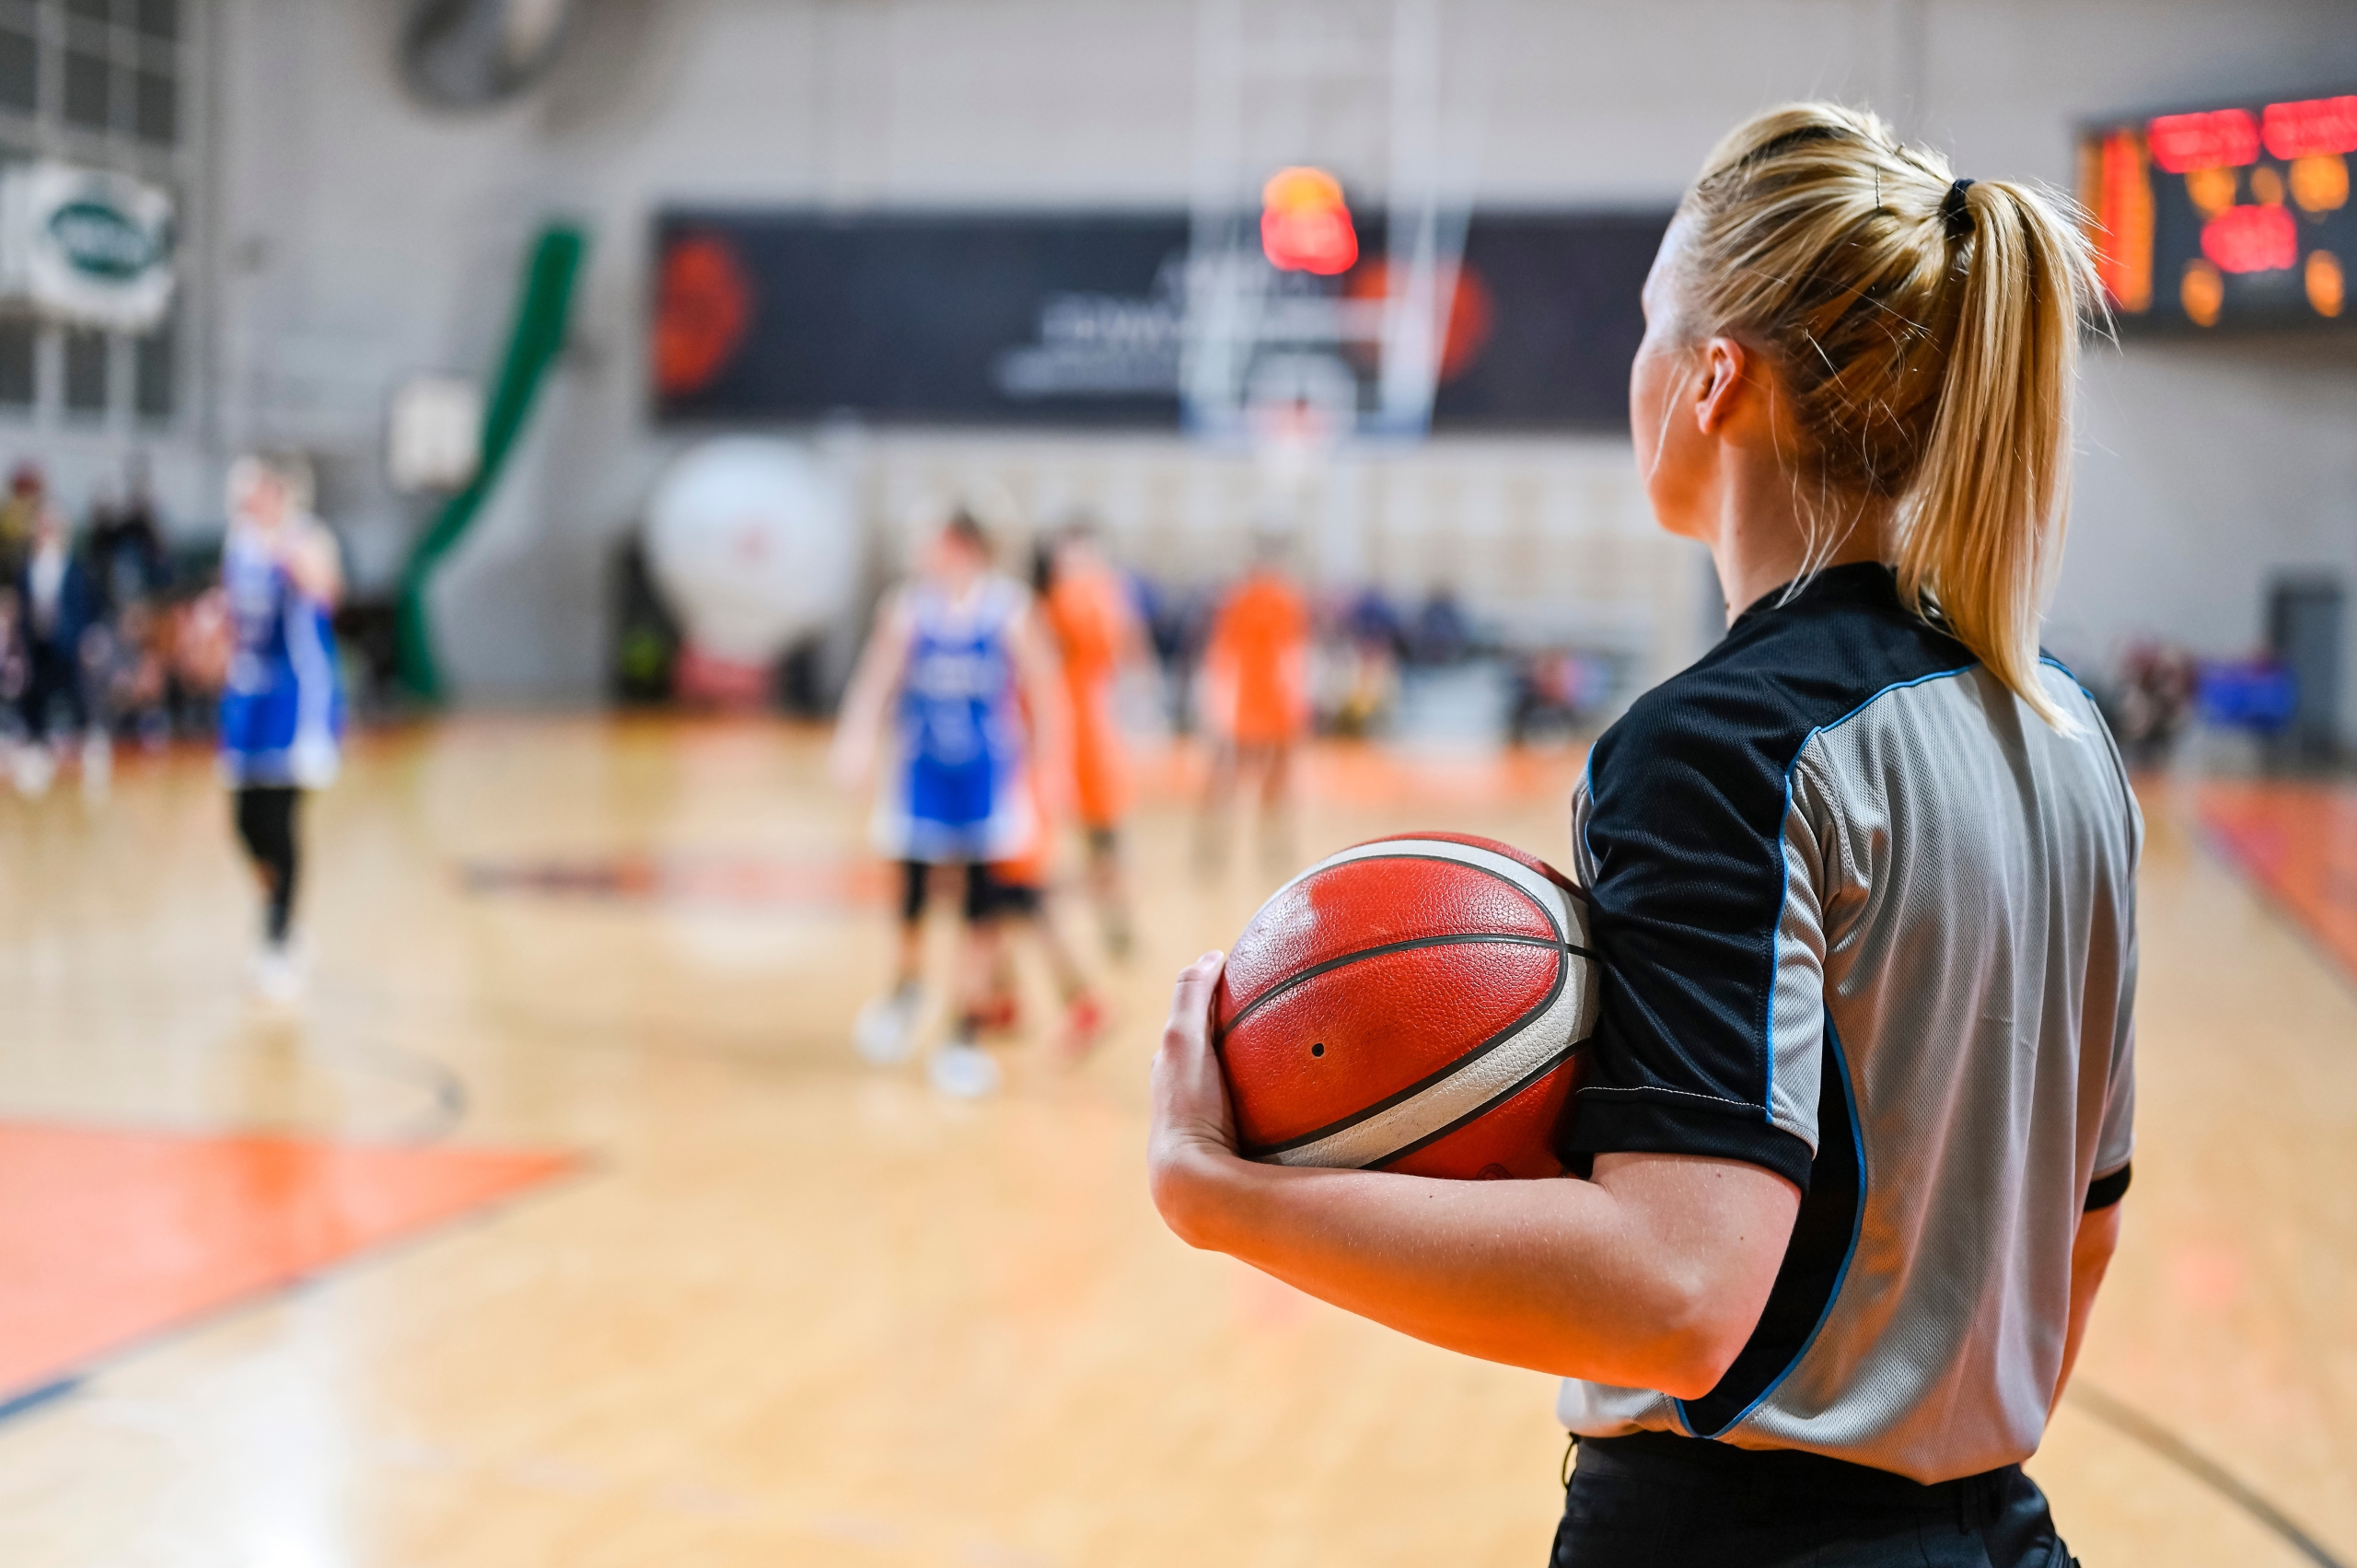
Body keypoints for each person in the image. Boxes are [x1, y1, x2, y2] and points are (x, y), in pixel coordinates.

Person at [1147, 102, 2135, 1568]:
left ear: (1713, 380)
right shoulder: (2066, 723)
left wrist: (1228, 1199)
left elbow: (1674, 1292)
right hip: (2003, 1527)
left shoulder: (1721, 747)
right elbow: (2088, 1220)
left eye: (1645, 324)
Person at [830, 507, 1067, 1098]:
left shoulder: (1009, 610)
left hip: (988, 778)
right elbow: (875, 681)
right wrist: (855, 741)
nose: (926, 552)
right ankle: (907, 988)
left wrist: (1054, 768)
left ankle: (964, 1030)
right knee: (910, 896)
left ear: (966, 548)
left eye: (937, 543)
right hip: (922, 775)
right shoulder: (908, 608)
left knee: (981, 910)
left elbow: (1047, 690)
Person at [216, 454, 345, 1002]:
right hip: (247, 696)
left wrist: (290, 557)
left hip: (297, 698)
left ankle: (279, 935)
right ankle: (279, 908)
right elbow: (233, 620)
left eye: (263, 489)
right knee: (244, 824)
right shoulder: (237, 546)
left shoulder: (303, 539)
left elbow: (328, 591)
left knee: (281, 817)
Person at [1037, 519, 1144, 958]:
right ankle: (1037, 927)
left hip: (1095, 737)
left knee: (1106, 840)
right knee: (1044, 843)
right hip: (1060, 732)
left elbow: (1126, 652)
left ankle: (1116, 926)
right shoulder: (1054, 602)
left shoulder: (1102, 596)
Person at [1194, 539, 1311, 871]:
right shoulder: (1246, 600)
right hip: (1251, 703)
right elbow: (1225, 655)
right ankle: (1218, 849)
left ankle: (1262, 850)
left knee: (1266, 779)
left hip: (1268, 703)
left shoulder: (1277, 600)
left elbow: (1292, 655)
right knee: (1232, 778)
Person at [8, 504, 103, 796]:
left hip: (67, 643)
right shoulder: (26, 571)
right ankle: (37, 748)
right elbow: (23, 610)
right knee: (35, 695)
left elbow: (86, 606)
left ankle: (88, 744)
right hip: (37, 644)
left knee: (75, 693)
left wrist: (86, 638)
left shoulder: (76, 569)